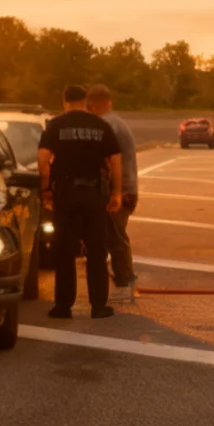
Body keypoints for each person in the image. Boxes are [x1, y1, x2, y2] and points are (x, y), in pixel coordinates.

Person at [37, 85, 122, 319]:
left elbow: (43, 160)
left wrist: (45, 191)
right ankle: (98, 306)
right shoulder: (100, 125)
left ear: (65, 102)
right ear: (85, 101)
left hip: (66, 194)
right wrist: (116, 193)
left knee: (64, 251)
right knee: (96, 250)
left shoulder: (55, 125)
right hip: (93, 194)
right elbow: (115, 161)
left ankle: (63, 306)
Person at [86, 84, 139, 297]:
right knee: (113, 236)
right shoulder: (116, 123)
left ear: (93, 104)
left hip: (118, 191)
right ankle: (122, 279)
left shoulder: (107, 126)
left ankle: (125, 282)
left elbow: (108, 162)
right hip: (128, 188)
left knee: (116, 238)